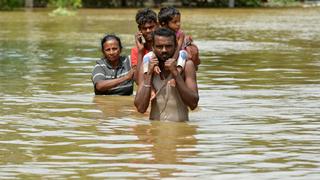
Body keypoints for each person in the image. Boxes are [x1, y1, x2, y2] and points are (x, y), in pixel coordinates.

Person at [134, 28, 199, 122]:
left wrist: (176, 74)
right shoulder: (146, 67)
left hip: (180, 132)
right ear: (152, 47)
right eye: (159, 46)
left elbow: (193, 104)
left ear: (176, 46)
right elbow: (140, 108)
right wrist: (149, 75)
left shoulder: (187, 66)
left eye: (168, 46)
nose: (164, 50)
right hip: (155, 132)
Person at [158, 6, 201, 70]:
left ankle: (178, 71)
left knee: (182, 53)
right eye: (175, 22)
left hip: (179, 56)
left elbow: (178, 48)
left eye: (179, 21)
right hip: (167, 57)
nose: (178, 24)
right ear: (164, 24)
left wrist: (173, 60)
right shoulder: (159, 34)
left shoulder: (180, 34)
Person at [131, 8, 158, 81]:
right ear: (139, 29)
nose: (148, 31)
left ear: (157, 25)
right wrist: (140, 52)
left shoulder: (164, 46)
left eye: (151, 27)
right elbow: (137, 80)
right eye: (144, 28)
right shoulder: (136, 50)